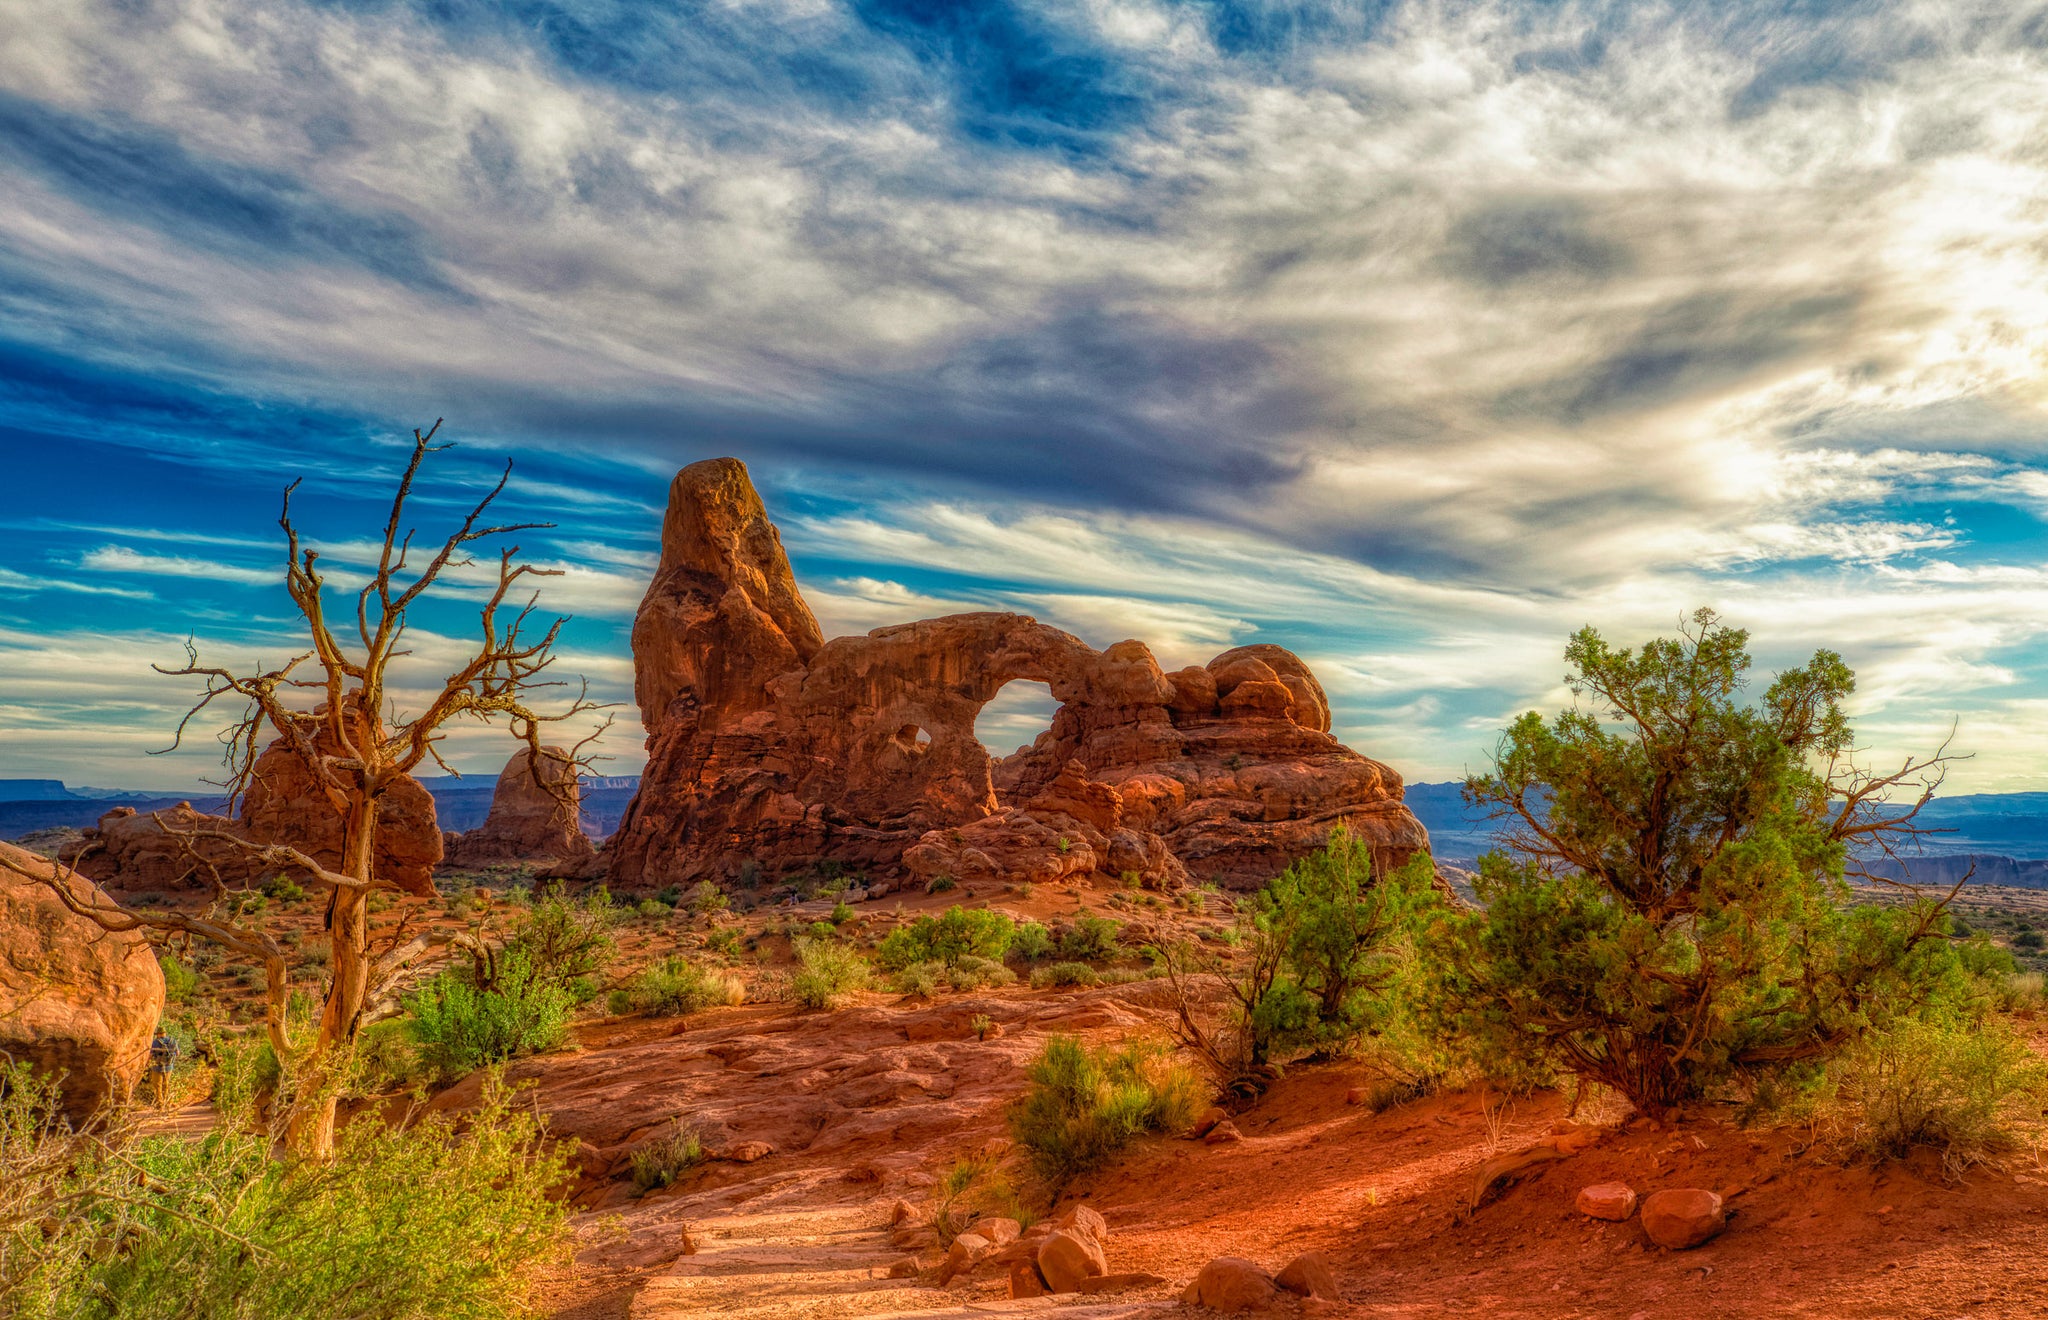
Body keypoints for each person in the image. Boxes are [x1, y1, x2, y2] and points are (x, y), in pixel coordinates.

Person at [147, 1028, 178, 1108]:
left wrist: (147, 1062)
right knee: (166, 1084)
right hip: (169, 1066)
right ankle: (168, 1102)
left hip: (157, 1067)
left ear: (158, 1034)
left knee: (157, 1085)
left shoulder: (155, 1042)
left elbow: (150, 1055)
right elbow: (177, 1053)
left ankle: (160, 1104)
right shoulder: (173, 1040)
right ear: (165, 1033)